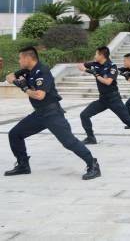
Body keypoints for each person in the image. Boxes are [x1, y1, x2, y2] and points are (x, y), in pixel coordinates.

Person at [4, 47, 101, 180]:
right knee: (15, 134)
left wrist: (24, 87)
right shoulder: (27, 70)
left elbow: (39, 95)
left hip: (52, 113)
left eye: (20, 58)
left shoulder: (42, 71)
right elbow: (9, 77)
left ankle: (93, 164)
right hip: (39, 114)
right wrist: (15, 80)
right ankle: (23, 165)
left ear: (28, 58)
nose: (19, 61)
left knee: (69, 142)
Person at [77, 47, 130, 148]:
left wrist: (93, 73)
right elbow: (80, 65)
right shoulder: (94, 64)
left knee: (127, 119)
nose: (95, 56)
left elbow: (108, 82)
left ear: (102, 55)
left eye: (96, 54)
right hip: (103, 99)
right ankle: (91, 138)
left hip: (114, 99)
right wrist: (86, 68)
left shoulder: (112, 67)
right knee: (84, 115)